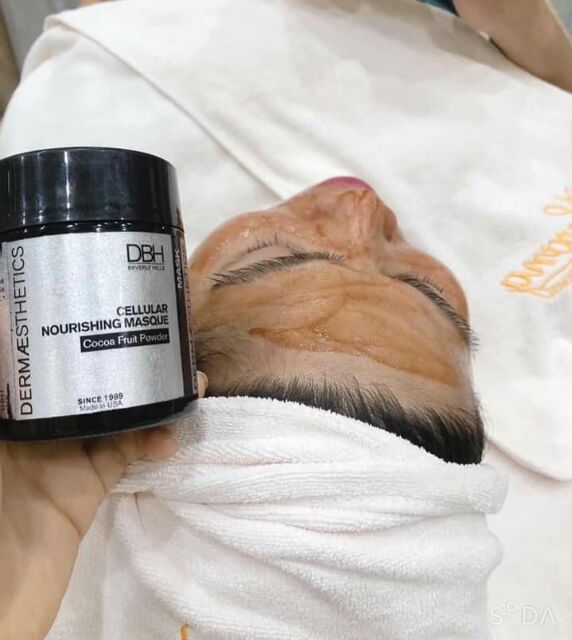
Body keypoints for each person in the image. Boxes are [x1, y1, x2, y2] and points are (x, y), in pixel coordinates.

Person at [1, 0, 571, 637]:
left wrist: (23, 549)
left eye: (270, 257)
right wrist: (538, 41)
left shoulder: (80, 89)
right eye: (424, 290)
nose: (361, 207)